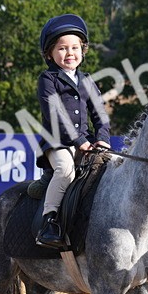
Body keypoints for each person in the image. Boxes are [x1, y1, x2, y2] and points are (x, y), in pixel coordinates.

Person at [33, 13, 111, 249]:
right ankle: (50, 222)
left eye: (75, 48)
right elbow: (54, 113)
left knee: (116, 170)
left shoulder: (87, 80)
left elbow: (100, 114)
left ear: (82, 51)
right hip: (57, 143)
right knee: (66, 171)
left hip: (85, 142)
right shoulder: (48, 79)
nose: (70, 53)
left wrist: (103, 139)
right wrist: (78, 141)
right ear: (50, 54)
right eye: (62, 48)